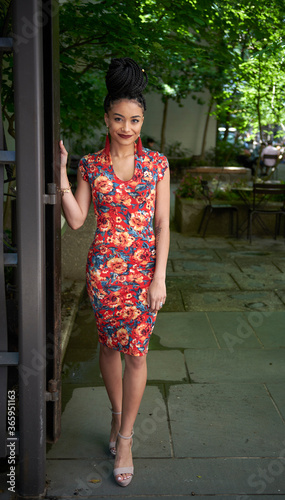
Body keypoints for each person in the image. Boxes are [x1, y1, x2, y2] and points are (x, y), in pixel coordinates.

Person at [59, 57, 170, 487]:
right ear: (107, 118)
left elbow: (162, 225)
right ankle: (116, 415)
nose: (127, 127)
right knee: (108, 348)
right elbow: (75, 220)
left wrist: (159, 277)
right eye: (120, 118)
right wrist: (62, 173)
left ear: (143, 121)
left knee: (137, 353)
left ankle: (125, 439)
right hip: (104, 272)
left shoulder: (156, 165)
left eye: (135, 120)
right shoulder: (90, 164)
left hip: (144, 276)